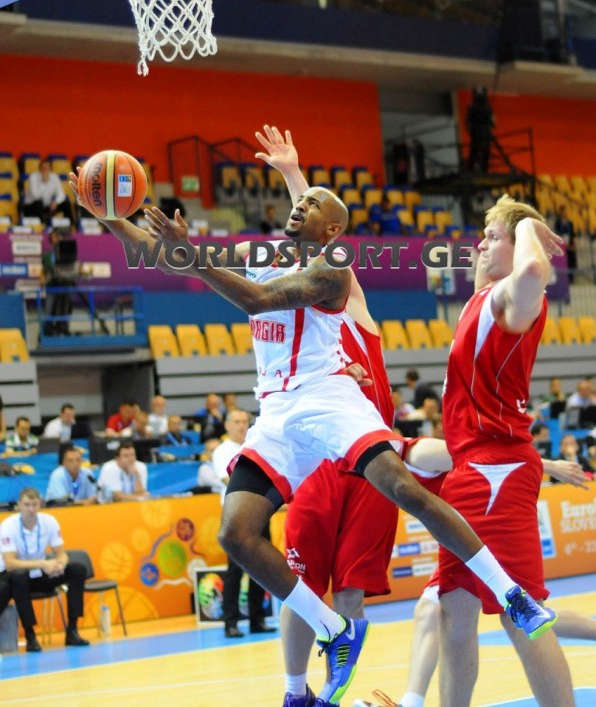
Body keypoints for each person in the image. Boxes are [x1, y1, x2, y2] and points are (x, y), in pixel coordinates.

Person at [71, 151, 558, 706]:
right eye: (298, 200)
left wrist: (192, 256)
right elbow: (160, 256)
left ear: (332, 230)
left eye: (312, 203)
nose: (299, 205)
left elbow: (257, 299)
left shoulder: (333, 269)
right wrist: (109, 214)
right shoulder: (258, 253)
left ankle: (511, 593)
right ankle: (333, 629)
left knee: (401, 487)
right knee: (235, 533)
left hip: (327, 396)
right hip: (277, 411)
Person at [254, 123, 450, 707]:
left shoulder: (349, 303)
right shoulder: (302, 322)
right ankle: (295, 691)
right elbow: (308, 241)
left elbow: (323, 238)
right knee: (299, 582)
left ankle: (330, 697)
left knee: (352, 593)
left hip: (369, 463)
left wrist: (295, 175)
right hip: (316, 458)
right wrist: (292, 175)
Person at [437, 194, 574, 707]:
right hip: (468, 469)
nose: (481, 245)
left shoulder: (514, 302)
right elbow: (489, 265)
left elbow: (535, 268)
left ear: (518, 248)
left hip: (495, 470)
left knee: (524, 615)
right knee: (454, 609)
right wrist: (500, 224)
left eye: (493, 237)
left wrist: (529, 227)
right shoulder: (480, 298)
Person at [353, 462, 591, 707]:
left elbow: (445, 454)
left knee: (519, 616)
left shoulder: (398, 452)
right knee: (436, 610)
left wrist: (549, 466)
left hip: (481, 523)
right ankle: (411, 702)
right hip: (463, 531)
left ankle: (411, 702)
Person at [0, 487, 89, 651]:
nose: (31, 509)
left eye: (34, 505)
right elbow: (10, 563)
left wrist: (59, 564)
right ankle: (30, 636)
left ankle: (72, 630)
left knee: (77, 569)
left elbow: (61, 554)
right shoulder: (8, 526)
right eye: (27, 505)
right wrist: (42, 564)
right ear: (19, 506)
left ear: (40, 504)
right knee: (19, 576)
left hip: (38, 573)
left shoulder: (49, 521)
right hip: (11, 576)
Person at [211, 409, 274, 639]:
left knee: (263, 566)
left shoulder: (255, 445)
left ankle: (258, 619)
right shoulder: (222, 451)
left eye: (245, 421)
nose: (241, 425)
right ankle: (231, 622)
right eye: (236, 422)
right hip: (236, 514)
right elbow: (229, 480)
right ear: (227, 425)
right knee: (235, 570)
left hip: (260, 511)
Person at [23, 158, 72, 226]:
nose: (45, 170)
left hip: (46, 207)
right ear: (39, 169)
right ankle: (42, 226)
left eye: (47, 168)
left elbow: (61, 194)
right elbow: (36, 196)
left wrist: (56, 202)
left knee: (65, 204)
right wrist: (43, 182)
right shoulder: (33, 177)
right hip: (31, 207)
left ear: (50, 169)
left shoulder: (54, 177)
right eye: (43, 168)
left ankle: (72, 225)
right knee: (39, 203)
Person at [465, 87, 494, 172]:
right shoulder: (488, 108)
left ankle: (471, 168)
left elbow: (468, 122)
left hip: (477, 133)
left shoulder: (472, 108)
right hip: (484, 133)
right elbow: (492, 122)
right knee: (484, 151)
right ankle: (484, 169)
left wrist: (471, 130)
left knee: (475, 151)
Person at [554, 206, 577, 284]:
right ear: (560, 212)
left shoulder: (569, 222)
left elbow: (572, 234)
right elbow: (557, 233)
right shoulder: (558, 222)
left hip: (569, 242)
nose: (564, 213)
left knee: (571, 260)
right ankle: (564, 278)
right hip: (562, 242)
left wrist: (573, 243)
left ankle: (571, 278)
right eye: (563, 211)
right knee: (564, 260)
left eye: (565, 211)